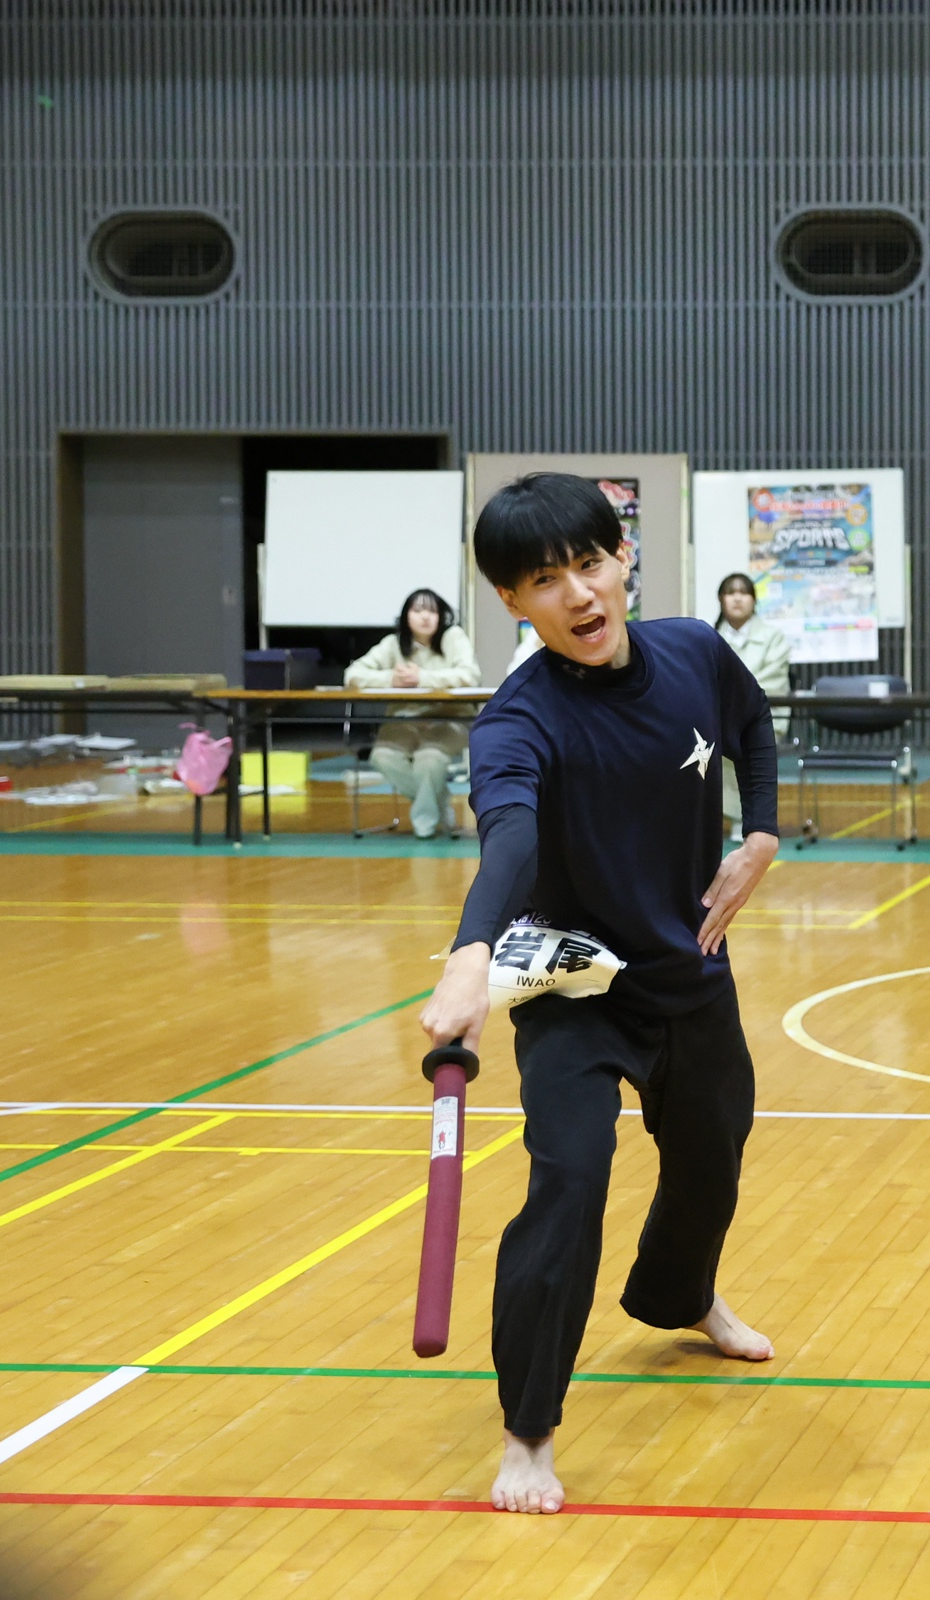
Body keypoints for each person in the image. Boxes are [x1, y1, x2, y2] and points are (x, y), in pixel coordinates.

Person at [416, 472, 782, 1516]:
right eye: (545, 580)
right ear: (511, 602)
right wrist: (471, 950)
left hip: (690, 968)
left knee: (711, 1157)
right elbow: (512, 837)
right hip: (576, 988)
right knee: (570, 1183)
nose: (578, 594)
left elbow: (752, 723)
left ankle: (680, 1295)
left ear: (624, 559)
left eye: (589, 563)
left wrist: (760, 832)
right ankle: (527, 1432)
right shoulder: (516, 724)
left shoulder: (695, 653)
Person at [343, 588, 481, 838]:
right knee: (382, 756)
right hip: (404, 721)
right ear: (406, 616)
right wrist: (390, 679)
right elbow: (352, 675)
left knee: (430, 759)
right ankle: (439, 801)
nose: (425, 616)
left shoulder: (453, 637)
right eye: (418, 610)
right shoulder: (393, 643)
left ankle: (424, 825)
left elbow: (470, 675)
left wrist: (422, 678)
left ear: (441, 616)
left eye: (432, 611)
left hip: (450, 719)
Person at [712, 572, 792, 839]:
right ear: (721, 600)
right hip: (719, 717)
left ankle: (746, 821)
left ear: (754, 600)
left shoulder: (773, 637)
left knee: (742, 742)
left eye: (744, 592)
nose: (737, 598)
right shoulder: (709, 637)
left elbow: (771, 682)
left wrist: (732, 695)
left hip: (762, 719)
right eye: (730, 592)